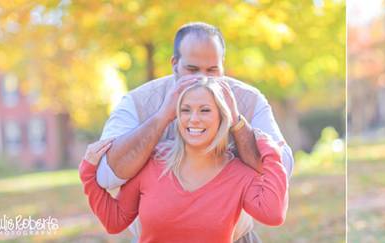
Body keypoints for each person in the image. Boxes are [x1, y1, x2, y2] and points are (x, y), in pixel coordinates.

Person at [95, 22, 295, 242]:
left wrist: (237, 123)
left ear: (222, 66)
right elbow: (105, 175)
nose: (203, 79)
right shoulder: (138, 102)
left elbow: (281, 170)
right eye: (192, 70)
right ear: (174, 65)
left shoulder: (249, 99)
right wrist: (162, 117)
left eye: (212, 70)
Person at [80, 78, 288, 242]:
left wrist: (270, 152)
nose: (193, 118)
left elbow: (273, 214)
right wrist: (88, 175)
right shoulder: (152, 162)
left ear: (222, 117)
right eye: (185, 110)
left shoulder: (239, 173)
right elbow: (115, 221)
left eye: (205, 110)